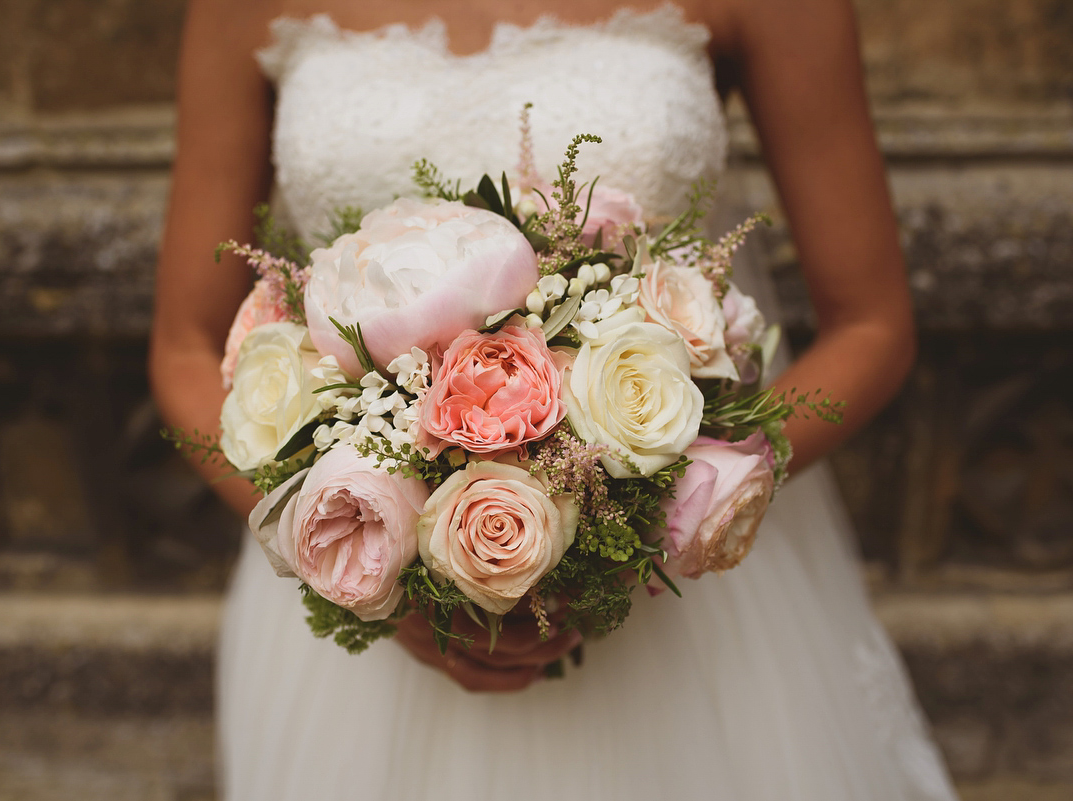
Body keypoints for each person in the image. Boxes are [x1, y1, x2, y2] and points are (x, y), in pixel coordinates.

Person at [149, 0, 960, 798]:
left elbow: (872, 324)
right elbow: (185, 344)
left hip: (683, 605)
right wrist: (360, 558)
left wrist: (654, 513)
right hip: (356, 593)